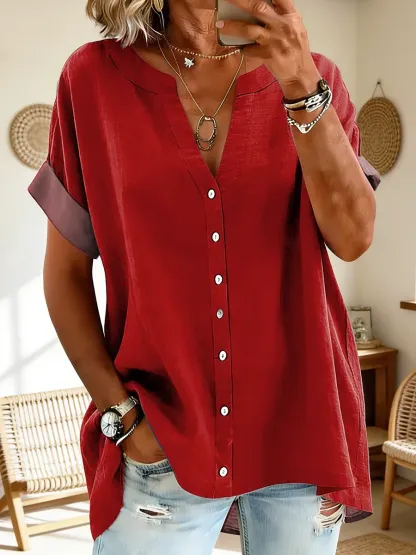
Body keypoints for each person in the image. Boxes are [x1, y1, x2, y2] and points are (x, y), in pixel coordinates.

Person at [28, 0, 381, 553]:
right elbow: (65, 274)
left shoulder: (317, 78)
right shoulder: (92, 79)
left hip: (303, 430)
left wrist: (300, 86)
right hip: (162, 432)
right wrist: (123, 417)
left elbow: (353, 238)